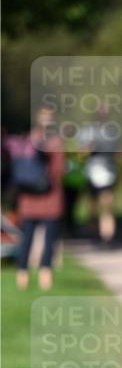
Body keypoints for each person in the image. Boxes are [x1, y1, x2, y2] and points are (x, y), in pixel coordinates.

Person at [11, 107, 65, 291]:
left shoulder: (28, 139)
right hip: (49, 198)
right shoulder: (56, 142)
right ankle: (45, 275)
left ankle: (22, 275)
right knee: (49, 240)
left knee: (26, 238)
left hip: (28, 199)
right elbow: (59, 170)